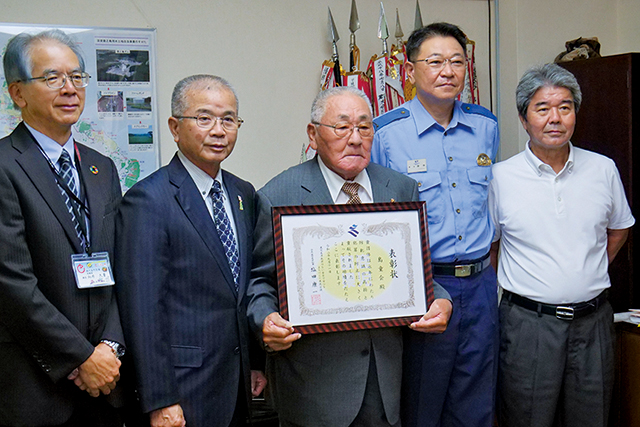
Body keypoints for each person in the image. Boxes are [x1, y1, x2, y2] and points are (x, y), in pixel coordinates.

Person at [246, 86, 453, 427]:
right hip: (314, 387)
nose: (355, 138)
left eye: (364, 127)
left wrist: (441, 301)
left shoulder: (399, 189)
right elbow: (259, 282)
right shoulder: (278, 195)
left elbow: (416, 270)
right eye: (342, 127)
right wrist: (265, 319)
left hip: (385, 378)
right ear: (313, 135)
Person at [115, 75, 266, 427]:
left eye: (228, 120)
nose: (218, 130)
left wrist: (255, 360)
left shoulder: (243, 193)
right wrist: (159, 398)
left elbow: (246, 286)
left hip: (238, 381)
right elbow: (141, 310)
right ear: (174, 126)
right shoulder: (147, 200)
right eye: (204, 118)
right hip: (182, 389)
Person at [489, 63, 635, 427]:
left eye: (565, 107)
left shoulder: (603, 169)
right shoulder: (501, 177)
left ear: (575, 114)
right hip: (528, 326)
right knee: (527, 419)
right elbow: (492, 247)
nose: (555, 118)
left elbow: (618, 229)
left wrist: (583, 271)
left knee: (593, 417)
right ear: (524, 119)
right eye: (542, 108)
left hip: (594, 322)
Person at [371, 22, 500, 427]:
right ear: (411, 71)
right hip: (423, 286)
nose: (448, 71)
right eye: (436, 61)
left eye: (457, 61)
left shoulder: (485, 126)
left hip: (480, 286)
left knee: (477, 403)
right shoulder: (386, 134)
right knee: (422, 405)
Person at [0, 30, 125, 426]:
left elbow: (122, 267)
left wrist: (109, 347)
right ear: (18, 93)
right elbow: (12, 283)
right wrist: (80, 357)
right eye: (52, 78)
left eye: (77, 77)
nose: (70, 89)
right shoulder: (4, 166)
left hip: (107, 383)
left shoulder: (101, 167)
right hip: (36, 385)